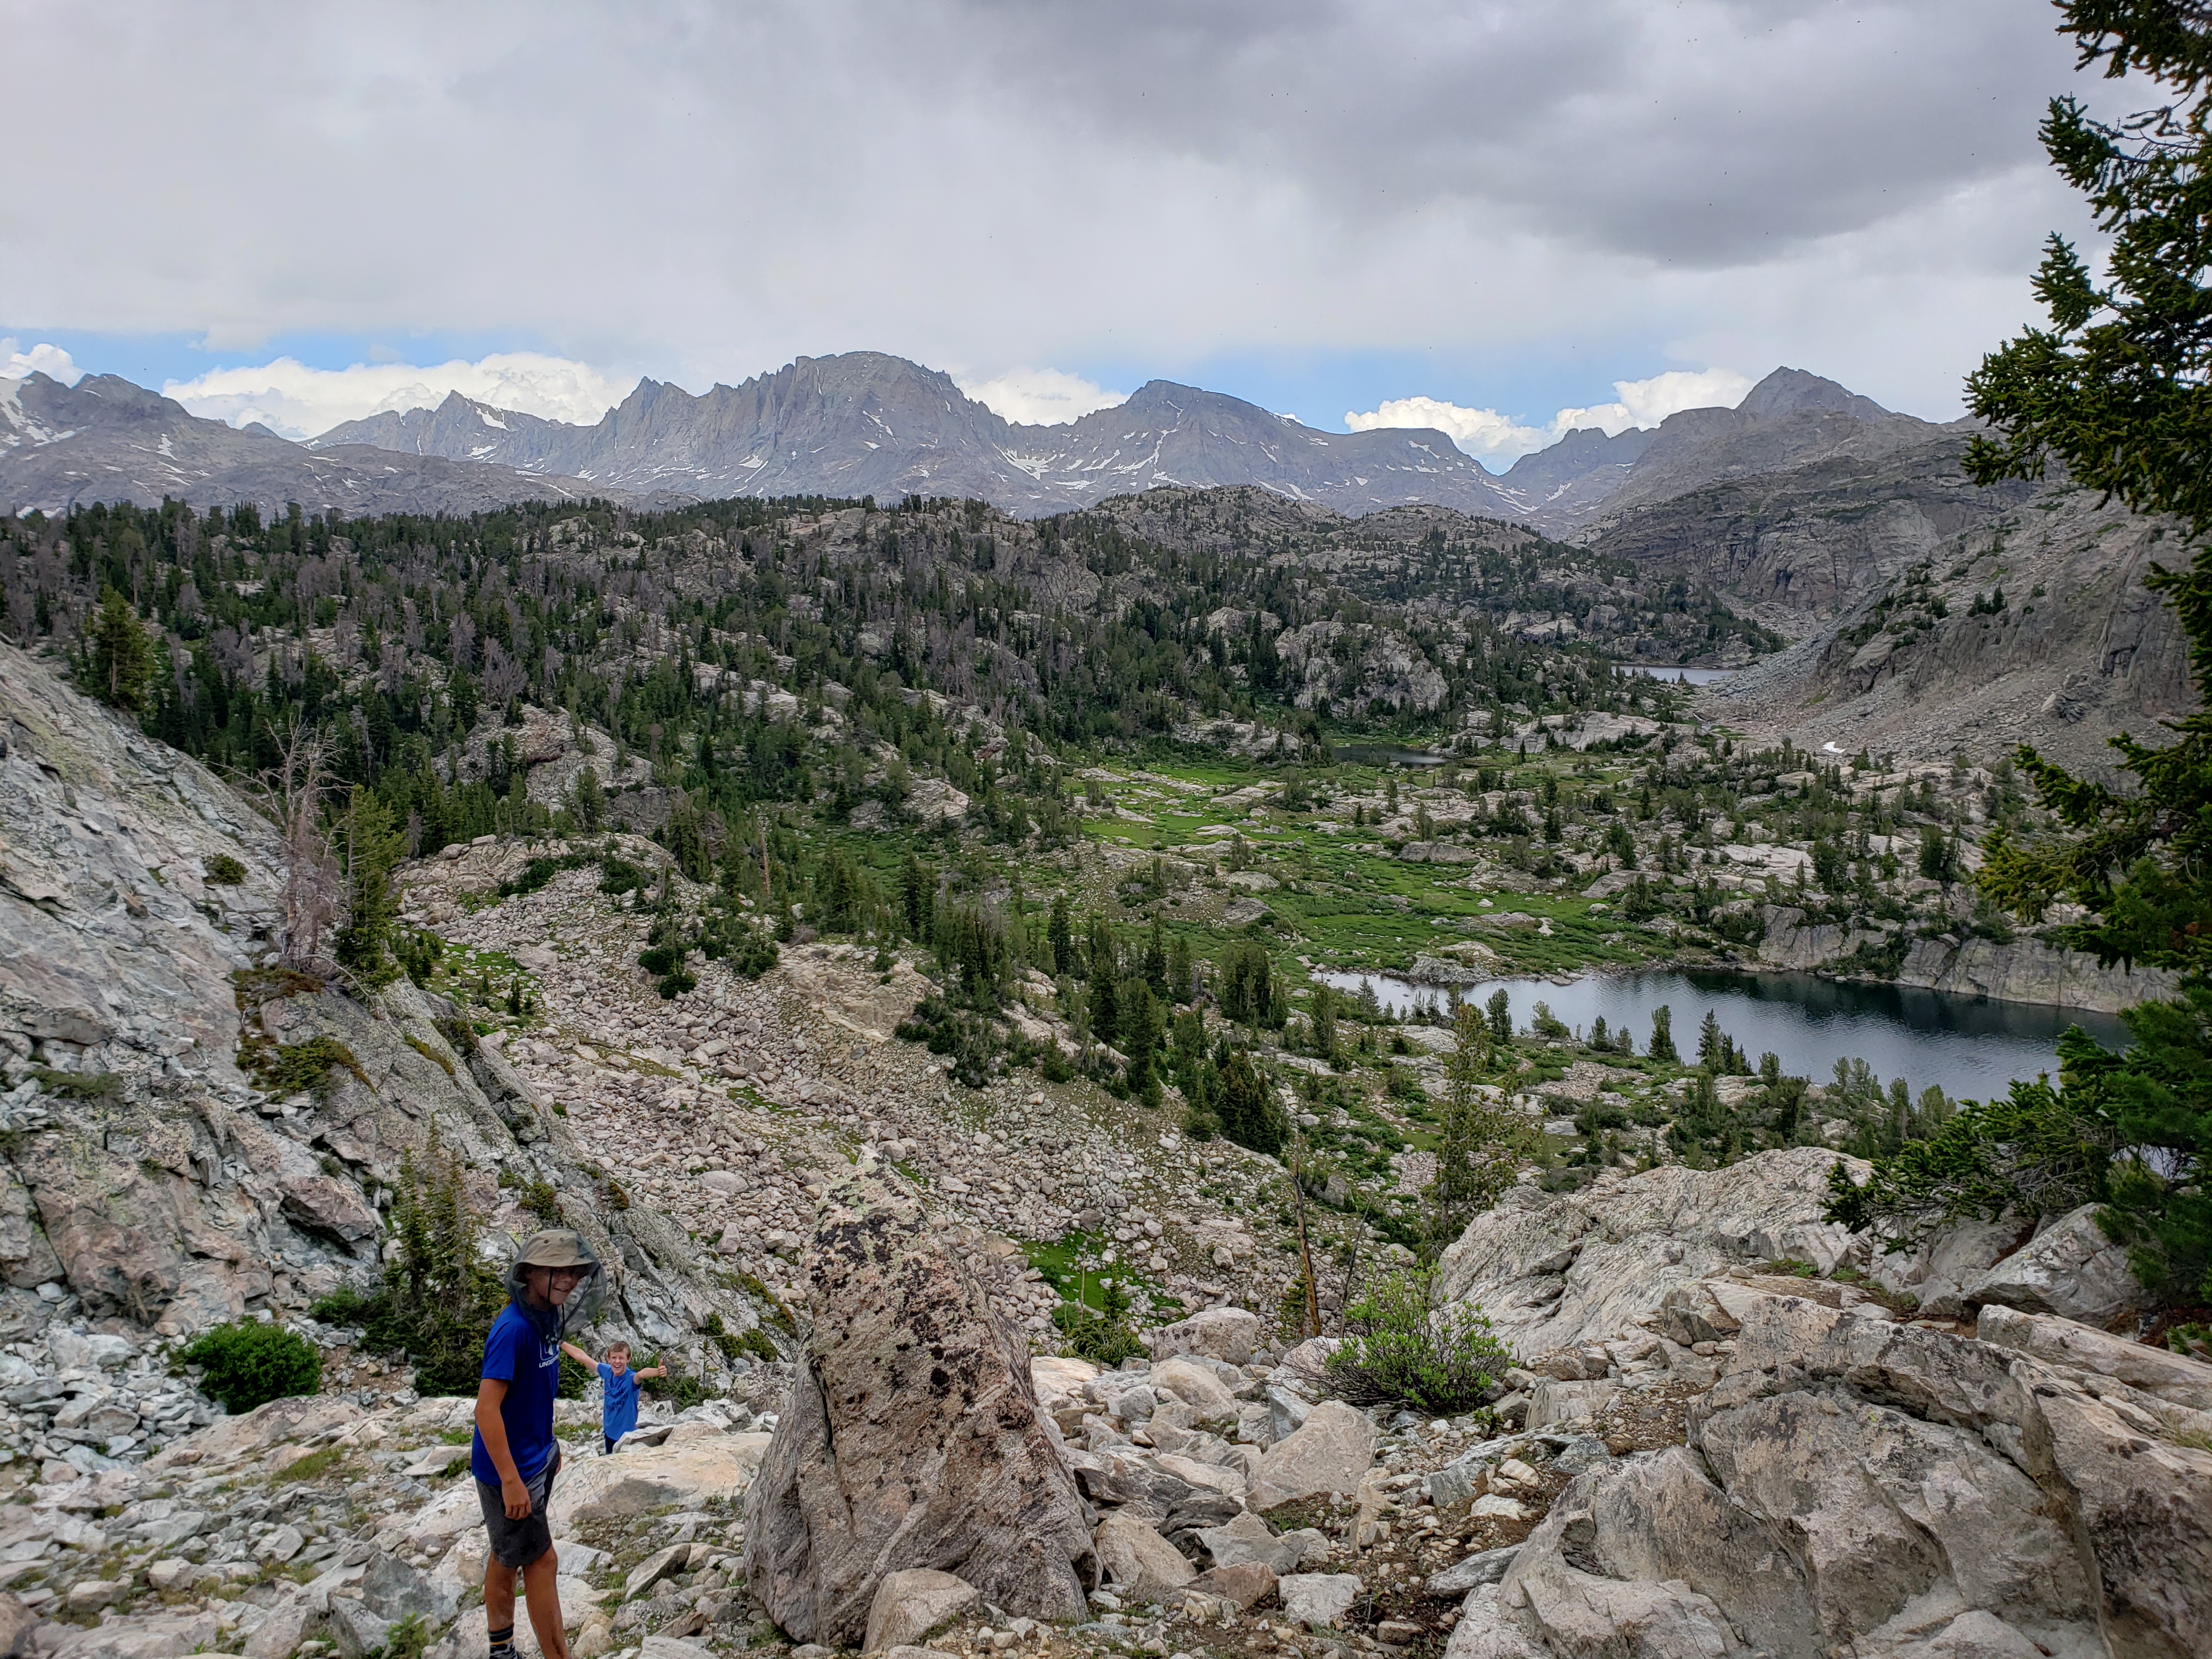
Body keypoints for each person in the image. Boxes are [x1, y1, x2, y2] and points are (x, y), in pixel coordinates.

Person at [474, 1229, 599, 1659]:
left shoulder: (546, 1317)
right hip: (511, 1470)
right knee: (542, 1562)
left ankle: (501, 1650)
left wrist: (550, 1446)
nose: (569, 1280)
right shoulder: (513, 1329)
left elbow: (535, 1392)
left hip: (535, 1456)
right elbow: (487, 1410)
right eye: (557, 1272)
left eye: (574, 1272)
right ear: (529, 1274)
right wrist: (511, 1480)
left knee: (506, 1553)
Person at [559, 1337, 665, 1455]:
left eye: (621, 1358)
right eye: (614, 1358)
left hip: (626, 1437)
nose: (617, 1361)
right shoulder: (607, 1371)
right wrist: (561, 1342)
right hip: (609, 1434)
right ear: (609, 1359)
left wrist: (657, 1372)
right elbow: (583, 1358)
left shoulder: (631, 1379)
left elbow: (641, 1374)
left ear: (628, 1359)